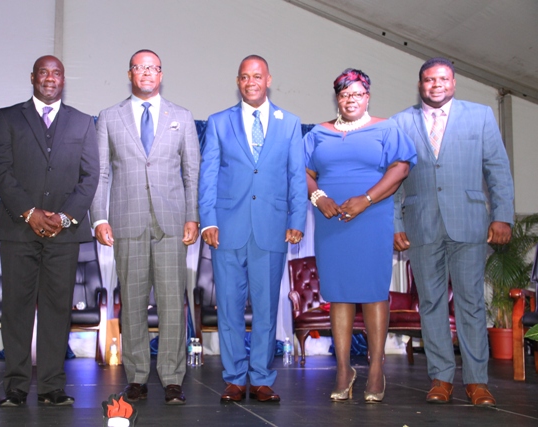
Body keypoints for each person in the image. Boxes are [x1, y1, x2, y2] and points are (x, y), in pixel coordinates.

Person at [392, 57, 514, 407]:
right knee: (430, 304)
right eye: (429, 80)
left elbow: (498, 170)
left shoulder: (481, 116)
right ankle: (441, 378)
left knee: (472, 303)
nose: (436, 85)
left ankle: (477, 382)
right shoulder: (401, 122)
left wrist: (502, 215)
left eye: (442, 79)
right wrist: (396, 223)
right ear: (420, 85)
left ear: (454, 83)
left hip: (470, 223)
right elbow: (394, 179)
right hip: (421, 225)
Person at [90, 49, 200, 405]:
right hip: (126, 221)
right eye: (140, 68)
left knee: (173, 303)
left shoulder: (182, 117)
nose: (147, 73)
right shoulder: (109, 117)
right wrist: (100, 217)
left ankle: (172, 377)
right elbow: (101, 173)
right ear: (130, 74)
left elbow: (191, 173)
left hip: (172, 224)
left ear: (161, 74)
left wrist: (193, 215)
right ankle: (136, 376)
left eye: (153, 68)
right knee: (133, 304)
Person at [0, 55, 99, 407]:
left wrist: (64, 218)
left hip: (63, 233)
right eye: (44, 72)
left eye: (57, 73)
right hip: (18, 229)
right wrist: (30, 212)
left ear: (63, 79)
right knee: (16, 309)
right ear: (33, 77)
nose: (50, 78)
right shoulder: (7, 117)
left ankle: (52, 387)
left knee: (56, 309)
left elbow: (90, 176)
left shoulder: (82, 122)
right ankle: (16, 388)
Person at [199, 55, 306, 403]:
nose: (251, 82)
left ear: (268, 79)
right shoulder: (218, 122)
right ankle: (233, 378)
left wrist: (296, 220)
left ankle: (261, 377)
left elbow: (295, 176)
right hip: (227, 228)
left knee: (265, 308)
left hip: (272, 228)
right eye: (245, 77)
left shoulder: (289, 123)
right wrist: (208, 220)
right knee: (229, 308)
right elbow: (209, 174)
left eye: (257, 76)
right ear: (238, 82)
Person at [304, 68, 416, 403]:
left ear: (367, 96)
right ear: (337, 98)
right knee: (338, 294)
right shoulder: (318, 133)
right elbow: (302, 171)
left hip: (372, 217)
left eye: (356, 94)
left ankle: (376, 369)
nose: (350, 99)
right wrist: (318, 197)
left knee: (372, 292)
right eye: (344, 94)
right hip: (331, 220)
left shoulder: (386, 127)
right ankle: (343, 370)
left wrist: (366, 199)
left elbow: (401, 167)